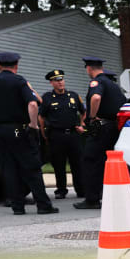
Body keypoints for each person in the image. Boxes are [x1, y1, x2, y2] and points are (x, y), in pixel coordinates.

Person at [0, 52, 58, 215]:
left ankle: (17, 206)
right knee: (31, 168)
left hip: (0, 130)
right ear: (16, 65)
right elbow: (33, 104)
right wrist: (33, 125)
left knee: (9, 168)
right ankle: (43, 205)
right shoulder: (19, 81)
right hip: (20, 129)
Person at [75, 56, 125, 210]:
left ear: (89, 68)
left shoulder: (97, 82)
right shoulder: (114, 85)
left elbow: (96, 97)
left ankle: (92, 199)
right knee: (106, 161)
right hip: (113, 128)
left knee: (90, 160)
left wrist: (91, 118)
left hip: (101, 127)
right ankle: (108, 195)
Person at [39, 69, 86, 199]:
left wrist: (82, 125)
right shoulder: (47, 97)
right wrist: (43, 133)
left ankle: (81, 190)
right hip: (56, 135)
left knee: (77, 163)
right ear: (51, 83)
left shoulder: (73, 96)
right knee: (58, 164)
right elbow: (41, 117)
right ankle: (61, 190)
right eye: (57, 81)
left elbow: (84, 112)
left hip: (73, 134)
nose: (60, 83)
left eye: (61, 79)